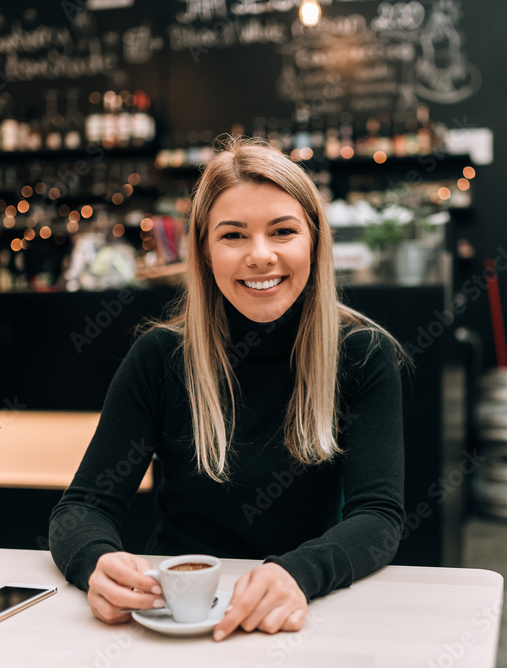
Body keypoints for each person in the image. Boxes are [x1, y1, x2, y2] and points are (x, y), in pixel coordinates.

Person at [49, 136, 407, 641]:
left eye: (283, 231)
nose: (260, 256)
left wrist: (298, 574)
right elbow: (81, 509)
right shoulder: (159, 357)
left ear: (314, 241)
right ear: (204, 252)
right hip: (176, 623)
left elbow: (380, 518)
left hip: (298, 620)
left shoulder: (363, 354)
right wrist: (96, 563)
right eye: (233, 236)